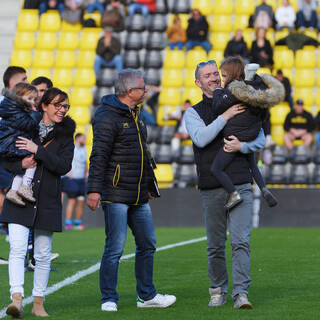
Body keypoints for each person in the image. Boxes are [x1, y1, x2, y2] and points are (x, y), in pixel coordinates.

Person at [86, 69, 176, 312]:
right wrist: (94, 190)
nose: (146, 91)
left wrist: (148, 185)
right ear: (129, 92)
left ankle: (147, 296)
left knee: (147, 243)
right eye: (142, 88)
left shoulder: (136, 114)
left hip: (137, 195)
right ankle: (108, 298)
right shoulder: (106, 116)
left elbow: (143, 154)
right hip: (115, 193)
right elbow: (99, 155)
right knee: (115, 247)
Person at [184, 60, 266, 309]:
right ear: (198, 83)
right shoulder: (193, 112)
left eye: (215, 74)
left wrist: (244, 146)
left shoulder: (238, 96)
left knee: (241, 241)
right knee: (215, 245)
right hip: (211, 186)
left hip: (241, 181)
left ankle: (241, 293)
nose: (214, 78)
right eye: (207, 76)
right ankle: (217, 289)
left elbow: (260, 136)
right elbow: (200, 139)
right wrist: (225, 116)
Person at [0, 87, 75, 318]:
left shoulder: (65, 134)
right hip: (18, 197)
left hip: (47, 198)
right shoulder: (24, 126)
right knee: (18, 249)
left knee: (42, 254)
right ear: (44, 105)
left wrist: (38, 150)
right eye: (57, 105)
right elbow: (5, 159)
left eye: (65, 106)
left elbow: (63, 166)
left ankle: (39, 302)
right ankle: (17, 299)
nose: (62, 110)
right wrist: (19, 166)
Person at [210, 58, 283, 209]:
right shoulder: (255, 91)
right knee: (253, 164)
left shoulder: (233, 90)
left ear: (232, 74)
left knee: (216, 168)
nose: (222, 80)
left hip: (235, 136)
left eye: (224, 76)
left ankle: (234, 194)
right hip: (251, 134)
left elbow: (217, 106)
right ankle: (264, 188)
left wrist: (217, 90)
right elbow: (264, 115)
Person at [0, 83, 40, 207]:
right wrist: (36, 114)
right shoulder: (18, 112)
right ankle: (25, 185)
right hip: (13, 145)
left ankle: (14, 190)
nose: (33, 102)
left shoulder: (10, 108)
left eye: (34, 99)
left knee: (23, 168)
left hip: (9, 144)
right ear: (19, 97)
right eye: (29, 99)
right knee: (33, 158)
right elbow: (30, 124)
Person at [64, 133, 87, 231]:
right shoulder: (72, 148)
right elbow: (66, 161)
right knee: (72, 201)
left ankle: (77, 223)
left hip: (81, 179)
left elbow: (85, 163)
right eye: (83, 138)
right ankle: (68, 223)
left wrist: (86, 172)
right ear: (77, 139)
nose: (85, 140)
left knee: (81, 201)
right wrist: (69, 172)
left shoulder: (84, 149)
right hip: (72, 179)